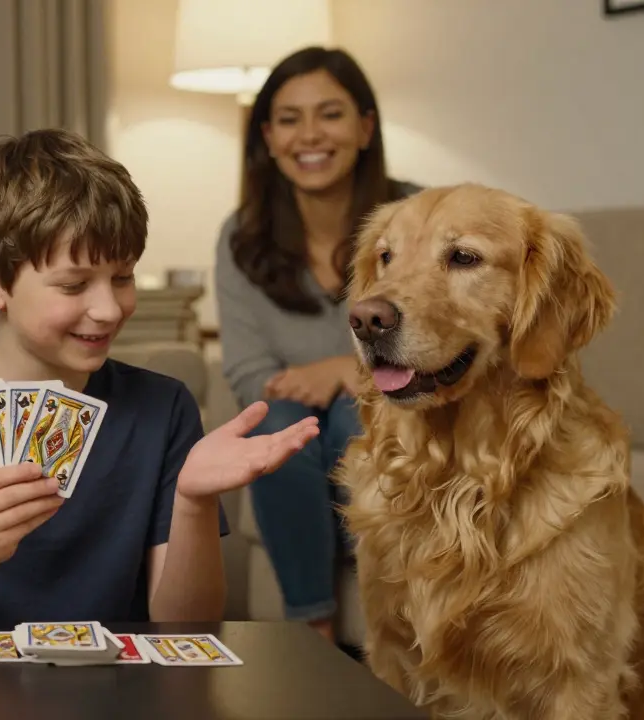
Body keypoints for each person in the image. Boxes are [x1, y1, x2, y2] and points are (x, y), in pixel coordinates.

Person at [0, 128, 321, 627]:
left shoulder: (165, 408)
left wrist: (193, 503)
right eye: (73, 285)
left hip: (120, 696)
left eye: (123, 277)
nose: (109, 308)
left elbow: (188, 626)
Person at [214, 46, 421, 646]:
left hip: (397, 410)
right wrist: (319, 389)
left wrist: (344, 371)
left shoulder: (417, 217)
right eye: (288, 118)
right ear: (268, 138)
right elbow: (249, 371)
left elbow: (438, 346)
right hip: (295, 422)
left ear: (364, 127)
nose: (310, 135)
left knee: (352, 413)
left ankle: (395, 612)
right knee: (273, 427)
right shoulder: (241, 236)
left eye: (329, 114)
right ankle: (316, 631)